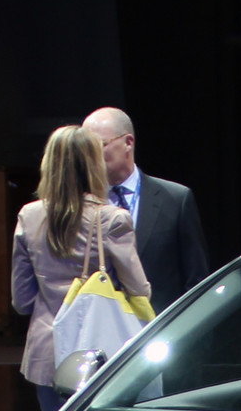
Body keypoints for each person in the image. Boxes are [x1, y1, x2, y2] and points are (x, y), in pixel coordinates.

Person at [12, 124, 148, 411]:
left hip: (46, 356)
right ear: (93, 165)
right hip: (99, 353)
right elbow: (139, 289)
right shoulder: (112, 218)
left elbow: (21, 301)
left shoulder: (28, 216)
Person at [83, 107, 209, 306]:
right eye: (85, 148)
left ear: (128, 143)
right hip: (103, 328)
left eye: (99, 145)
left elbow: (196, 281)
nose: (90, 155)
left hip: (161, 327)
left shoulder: (175, 199)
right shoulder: (81, 206)